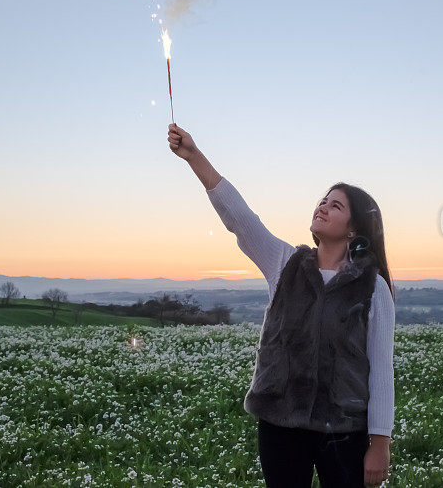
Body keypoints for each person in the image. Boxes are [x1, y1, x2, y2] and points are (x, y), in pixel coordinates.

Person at [167, 123, 395, 487]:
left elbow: (381, 369)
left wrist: (380, 443)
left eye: (335, 205)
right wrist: (194, 156)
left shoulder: (373, 288)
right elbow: (240, 219)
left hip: (343, 430)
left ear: (353, 230)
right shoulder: (284, 262)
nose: (323, 205)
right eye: (323, 199)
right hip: (280, 424)